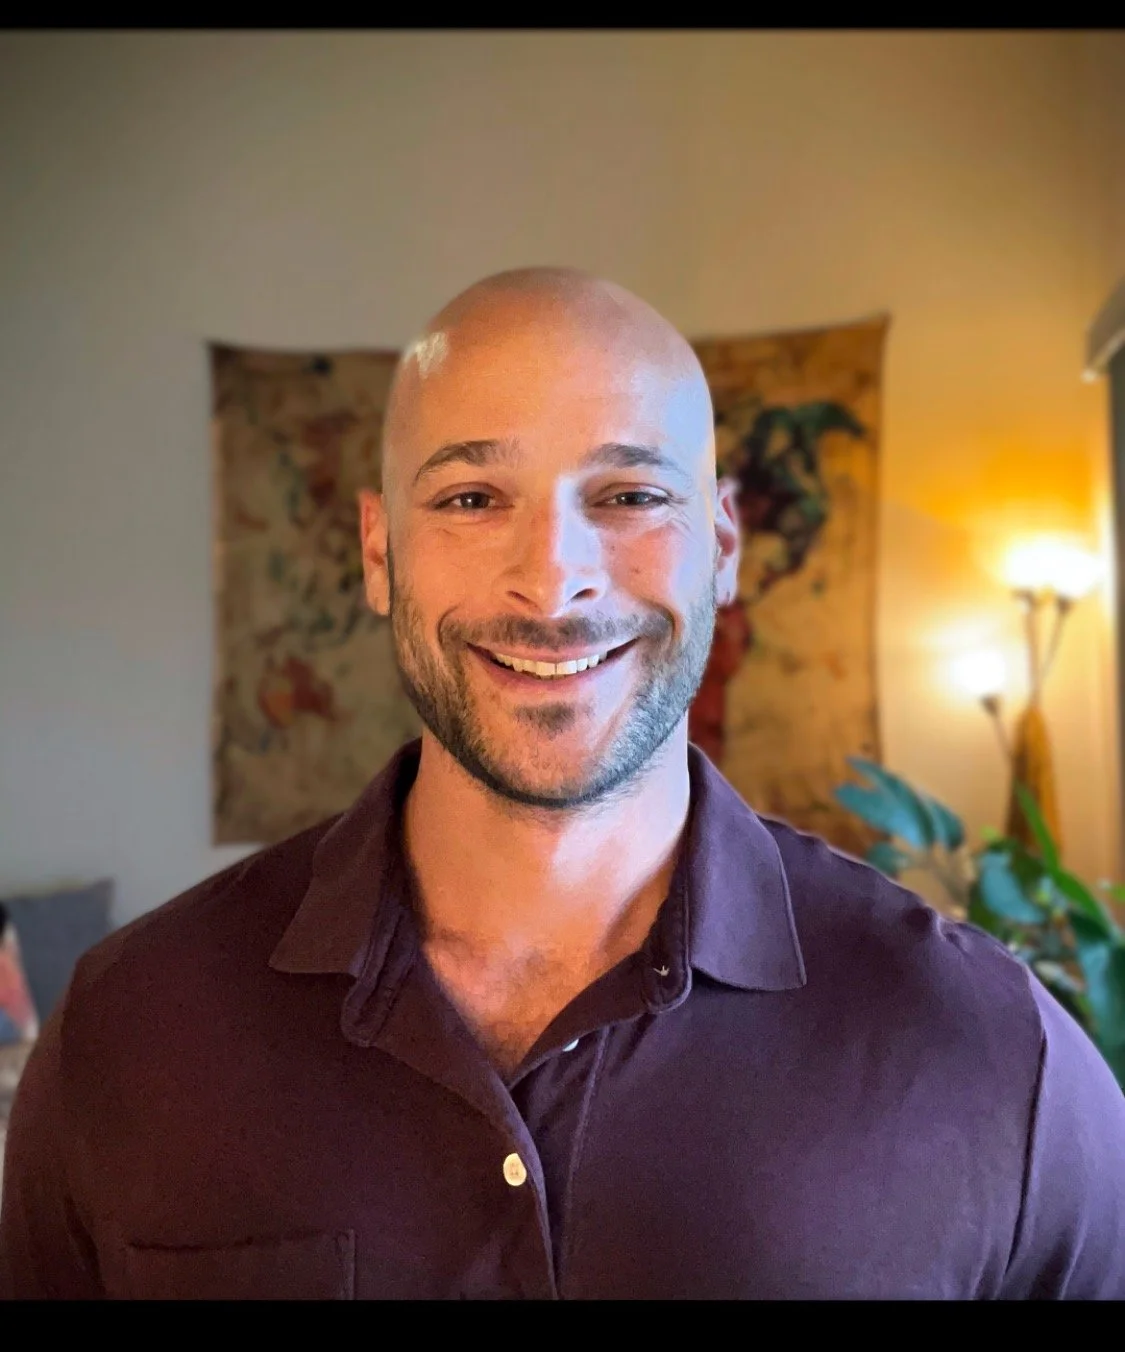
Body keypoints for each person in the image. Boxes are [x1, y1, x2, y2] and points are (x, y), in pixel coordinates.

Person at [2, 268, 1124, 1300]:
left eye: (630, 494)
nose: (552, 579)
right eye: (473, 498)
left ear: (723, 543)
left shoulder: (987, 1049)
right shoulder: (129, 1031)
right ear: (379, 551)